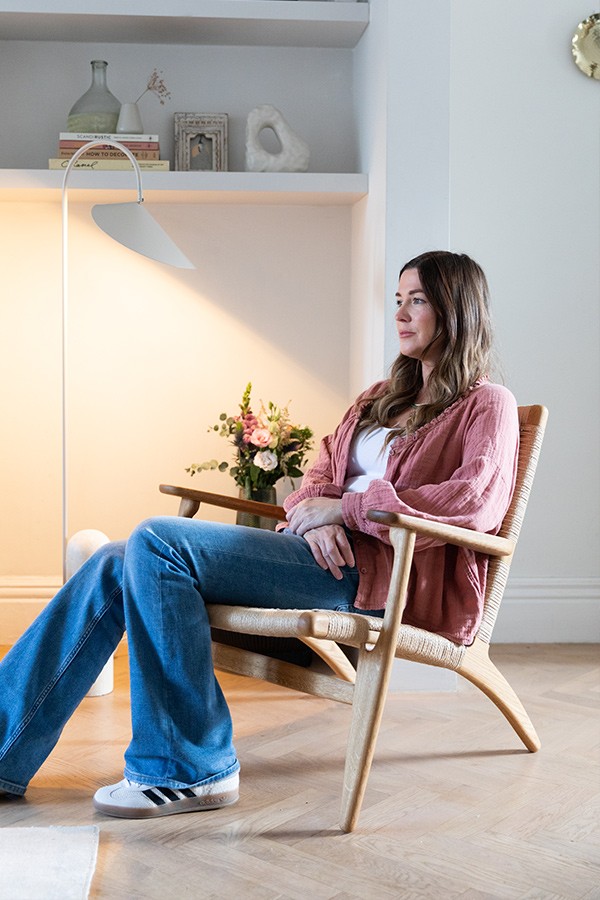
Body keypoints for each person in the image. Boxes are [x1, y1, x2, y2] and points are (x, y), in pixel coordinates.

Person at [0, 250, 519, 819]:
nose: (401, 313)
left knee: (156, 540)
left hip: (378, 577)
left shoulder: (487, 405)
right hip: (315, 554)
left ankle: (190, 769)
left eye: (416, 300)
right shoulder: (378, 398)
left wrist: (344, 512)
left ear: (457, 309)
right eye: (398, 300)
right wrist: (310, 517)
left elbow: (474, 503)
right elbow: (316, 477)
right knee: (112, 561)